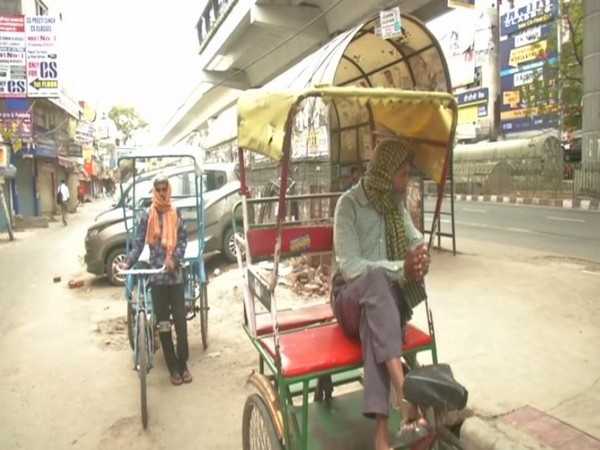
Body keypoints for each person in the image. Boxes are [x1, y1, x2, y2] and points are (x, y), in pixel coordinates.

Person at [332, 139, 431, 450]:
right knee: (375, 279)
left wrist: (420, 256)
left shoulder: (394, 205)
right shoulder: (347, 205)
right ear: (387, 174)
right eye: (402, 175)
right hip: (348, 297)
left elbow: (414, 240)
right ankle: (405, 396)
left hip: (381, 307)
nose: (405, 182)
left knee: (375, 320)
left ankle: (382, 435)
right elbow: (350, 267)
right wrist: (400, 267)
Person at [120, 175, 192, 386]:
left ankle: (183, 363)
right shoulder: (146, 216)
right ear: (154, 191)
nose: (161, 193)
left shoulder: (176, 214)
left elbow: (183, 241)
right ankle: (173, 368)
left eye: (164, 189)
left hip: (175, 278)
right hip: (158, 279)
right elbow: (138, 245)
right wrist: (128, 263)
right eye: (158, 189)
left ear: (168, 190)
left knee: (180, 323)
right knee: (163, 326)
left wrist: (175, 260)